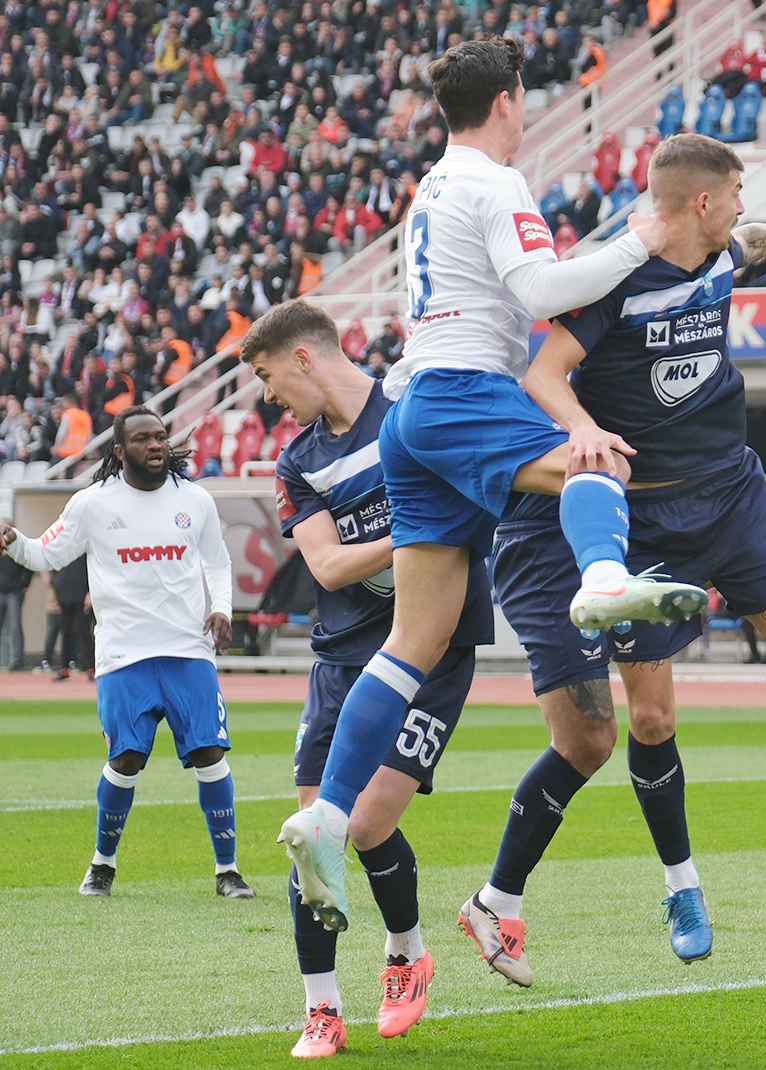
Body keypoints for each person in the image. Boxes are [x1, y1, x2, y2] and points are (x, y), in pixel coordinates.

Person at [470, 134, 766, 981]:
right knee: (651, 719)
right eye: (734, 191)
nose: (739, 205)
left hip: (729, 490)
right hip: (645, 517)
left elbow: (749, 241)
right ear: (698, 200)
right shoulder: (615, 277)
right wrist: (581, 430)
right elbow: (544, 373)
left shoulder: (721, 245)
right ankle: (682, 886)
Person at [279, 38, 701, 938]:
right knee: (599, 459)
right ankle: (602, 582)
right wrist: (641, 240)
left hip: (414, 409)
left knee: (412, 638)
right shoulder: (495, 181)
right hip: (464, 391)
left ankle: (325, 817)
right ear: (510, 99)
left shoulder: (432, 186)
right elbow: (541, 287)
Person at [243, 301, 495, 1055]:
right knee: (312, 836)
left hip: (434, 651)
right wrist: (419, 529)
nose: (265, 396)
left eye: (266, 376)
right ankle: (321, 1008)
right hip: (343, 653)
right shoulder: (299, 461)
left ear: (304, 359)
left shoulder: (413, 413)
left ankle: (406, 953)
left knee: (367, 822)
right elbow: (325, 564)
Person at [1, 407, 250, 901]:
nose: (155, 445)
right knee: (127, 758)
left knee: (210, 753)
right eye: (142, 439)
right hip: (122, 654)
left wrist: (221, 609)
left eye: (160, 437)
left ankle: (228, 870)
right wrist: (13, 543)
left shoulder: (195, 500)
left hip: (188, 650)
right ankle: (103, 864)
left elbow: (217, 563)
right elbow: (47, 553)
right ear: (119, 451)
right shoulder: (92, 504)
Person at [0, 531, 30, 671]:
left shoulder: (17, 549)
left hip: (13, 592)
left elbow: (28, 566)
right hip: (1, 591)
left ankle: (18, 660)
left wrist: (25, 585)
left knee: (15, 626)